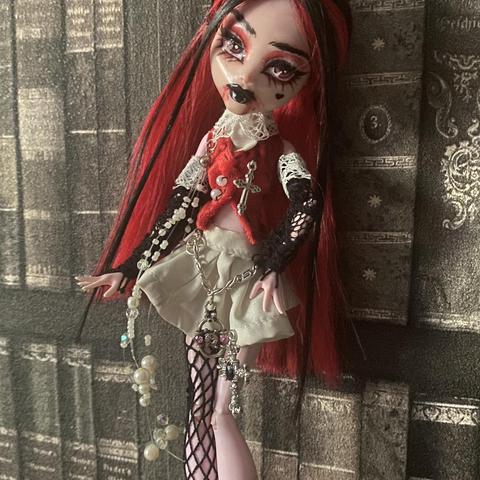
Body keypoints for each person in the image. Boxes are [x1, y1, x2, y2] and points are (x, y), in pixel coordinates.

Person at [76, 1, 352, 478]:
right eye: (233, 45)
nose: (244, 78)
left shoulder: (280, 149)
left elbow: (305, 204)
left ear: (308, 80)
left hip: (247, 278)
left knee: (223, 409)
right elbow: (179, 208)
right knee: (200, 401)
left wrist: (274, 262)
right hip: (203, 268)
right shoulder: (211, 143)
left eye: (280, 68)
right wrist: (130, 267)